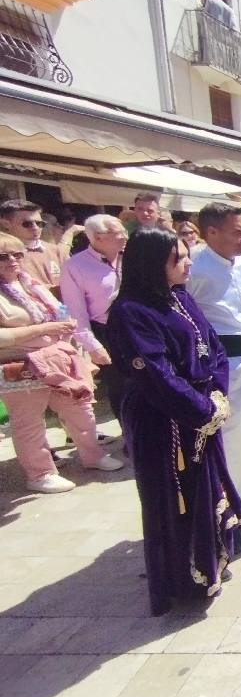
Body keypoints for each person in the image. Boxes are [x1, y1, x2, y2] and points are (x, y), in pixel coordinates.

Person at [107, 229, 241, 615]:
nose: (187, 265)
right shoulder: (130, 312)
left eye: (187, 256)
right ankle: (182, 580)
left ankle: (211, 562)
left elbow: (213, 347)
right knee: (173, 499)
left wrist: (216, 394)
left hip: (201, 411)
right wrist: (203, 409)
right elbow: (156, 373)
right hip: (163, 420)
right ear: (152, 264)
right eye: (177, 259)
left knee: (207, 489)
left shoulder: (180, 297)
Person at [0, 235, 123, 493]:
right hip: (22, 366)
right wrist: (45, 329)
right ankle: (40, 474)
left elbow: (61, 313)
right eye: (3, 256)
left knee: (80, 410)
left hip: (59, 360)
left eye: (17, 254)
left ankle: (93, 455)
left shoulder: (31, 284)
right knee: (29, 423)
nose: (12, 260)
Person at [186, 202, 241, 516]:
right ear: (212, 232)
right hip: (222, 363)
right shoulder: (194, 268)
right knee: (232, 434)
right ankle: (231, 507)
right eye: (238, 232)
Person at [59, 214, 127, 420]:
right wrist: (93, 346)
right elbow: (76, 310)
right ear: (98, 237)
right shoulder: (75, 266)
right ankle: (129, 432)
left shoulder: (133, 257)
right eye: (119, 233)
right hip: (107, 332)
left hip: (140, 327)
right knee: (120, 388)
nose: (125, 236)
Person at [0, 200, 66, 295]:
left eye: (39, 223)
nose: (35, 227)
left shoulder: (56, 251)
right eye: (27, 224)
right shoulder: (5, 257)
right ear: (6, 224)